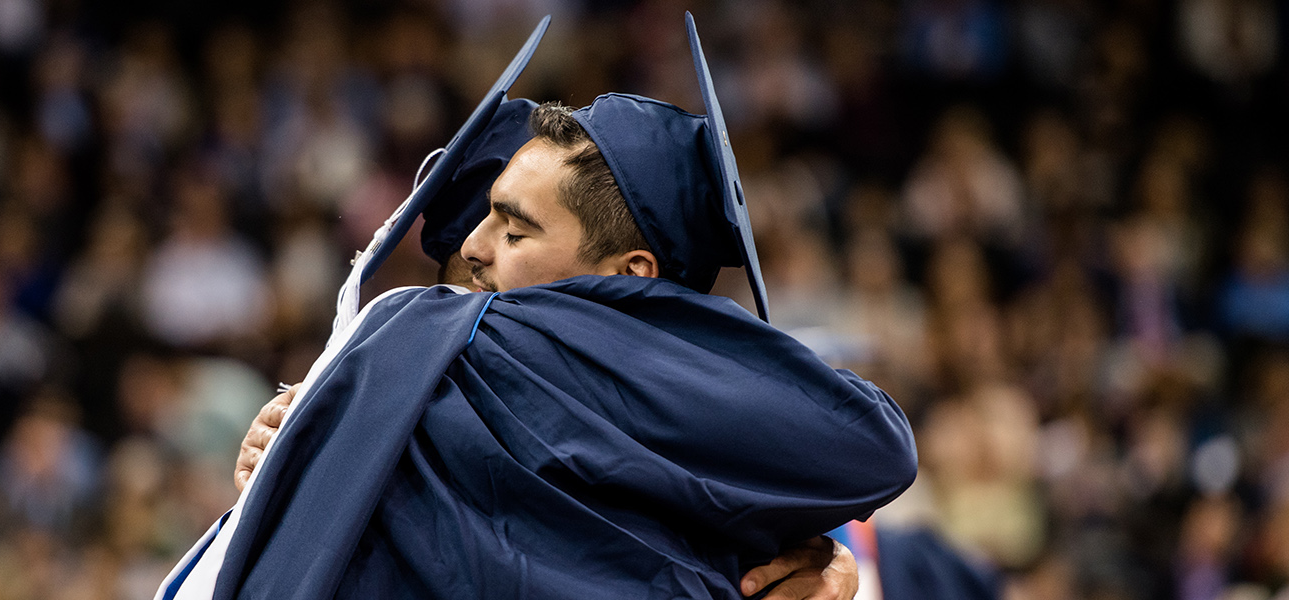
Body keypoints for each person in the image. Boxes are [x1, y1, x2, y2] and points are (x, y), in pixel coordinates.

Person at [159, 15, 916, 600]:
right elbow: (871, 444)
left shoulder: (417, 337)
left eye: (516, 228)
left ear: (633, 274)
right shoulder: (437, 352)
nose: (475, 250)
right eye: (489, 216)